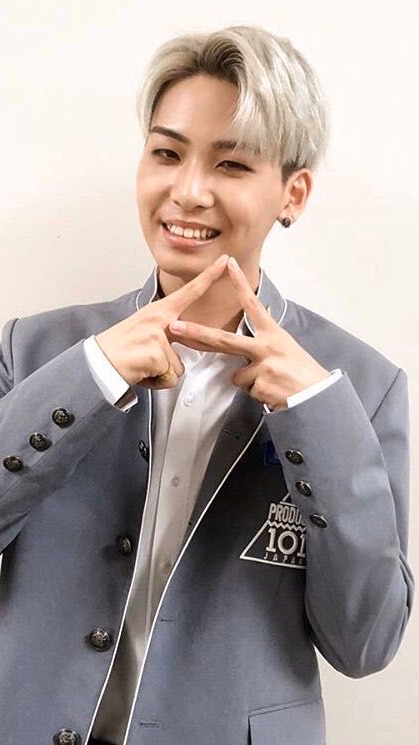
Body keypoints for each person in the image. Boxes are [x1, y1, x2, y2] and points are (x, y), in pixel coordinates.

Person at [0, 25, 414, 745]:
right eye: (166, 153)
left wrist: (316, 419)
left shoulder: (361, 389)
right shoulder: (33, 349)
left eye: (231, 164)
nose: (187, 192)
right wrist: (92, 375)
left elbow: (364, 643)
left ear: (292, 193)